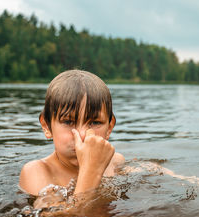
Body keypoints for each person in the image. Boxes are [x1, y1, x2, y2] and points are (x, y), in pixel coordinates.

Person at [19, 70, 125, 199]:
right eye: (68, 122)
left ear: (109, 127)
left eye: (95, 122)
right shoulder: (37, 172)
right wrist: (92, 171)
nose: (82, 135)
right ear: (46, 126)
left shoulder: (115, 162)